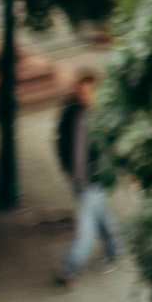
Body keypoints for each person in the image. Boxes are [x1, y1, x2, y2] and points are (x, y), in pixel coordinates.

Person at [53, 69, 121, 285]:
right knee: (100, 215)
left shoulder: (106, 117)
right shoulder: (71, 111)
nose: (84, 96)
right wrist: (66, 165)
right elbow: (60, 137)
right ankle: (114, 249)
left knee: (86, 228)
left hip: (95, 180)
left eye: (89, 92)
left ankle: (70, 269)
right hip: (76, 178)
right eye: (81, 92)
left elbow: (115, 148)